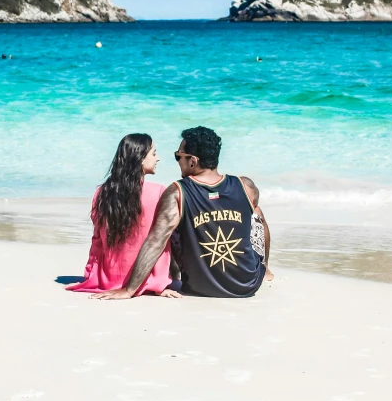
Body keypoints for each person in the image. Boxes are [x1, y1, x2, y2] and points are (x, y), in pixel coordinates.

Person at [91, 126, 272, 300]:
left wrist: (129, 289)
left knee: (171, 223)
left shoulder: (178, 191)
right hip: (247, 285)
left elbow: (156, 240)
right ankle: (266, 270)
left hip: (198, 286)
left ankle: (178, 274)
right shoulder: (245, 185)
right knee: (255, 211)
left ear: (193, 161)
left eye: (178, 156)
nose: (177, 160)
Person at [67, 133, 175, 297]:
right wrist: (164, 283)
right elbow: (163, 241)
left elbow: (97, 240)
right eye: (153, 153)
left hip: (108, 280)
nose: (158, 158)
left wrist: (91, 276)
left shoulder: (101, 192)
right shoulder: (160, 192)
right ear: (139, 158)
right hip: (148, 281)